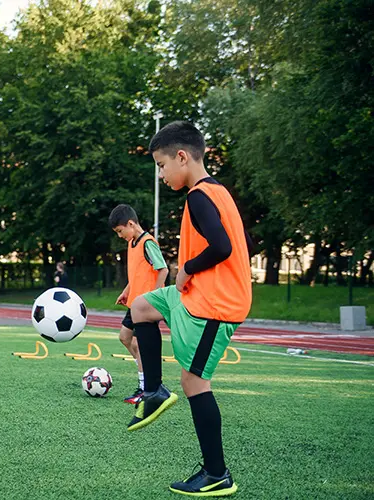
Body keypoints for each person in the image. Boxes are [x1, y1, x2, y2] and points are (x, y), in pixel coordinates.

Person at [127, 121, 251, 497]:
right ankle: (153, 392)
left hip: (217, 303)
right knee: (141, 307)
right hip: (196, 294)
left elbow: (222, 247)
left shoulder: (199, 196)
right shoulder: (212, 191)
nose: (161, 174)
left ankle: (217, 474)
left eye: (162, 166)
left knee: (195, 382)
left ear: (182, 157)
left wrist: (186, 269)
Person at [109, 204, 168, 404]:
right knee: (126, 338)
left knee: (140, 344)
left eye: (120, 231)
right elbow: (136, 275)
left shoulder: (147, 243)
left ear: (131, 224)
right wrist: (126, 292)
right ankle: (146, 378)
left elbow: (163, 270)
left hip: (145, 306)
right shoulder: (131, 243)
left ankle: (145, 387)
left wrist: (155, 297)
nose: (119, 235)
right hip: (134, 303)